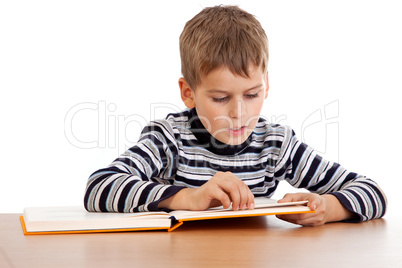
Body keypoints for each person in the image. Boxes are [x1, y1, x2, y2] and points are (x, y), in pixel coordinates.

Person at [84, 5, 387, 226]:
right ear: (188, 92)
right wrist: (187, 198)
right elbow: (99, 187)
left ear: (266, 85)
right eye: (220, 98)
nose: (238, 113)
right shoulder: (168, 139)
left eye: (252, 95)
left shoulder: (276, 145)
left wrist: (327, 208)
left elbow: (374, 193)